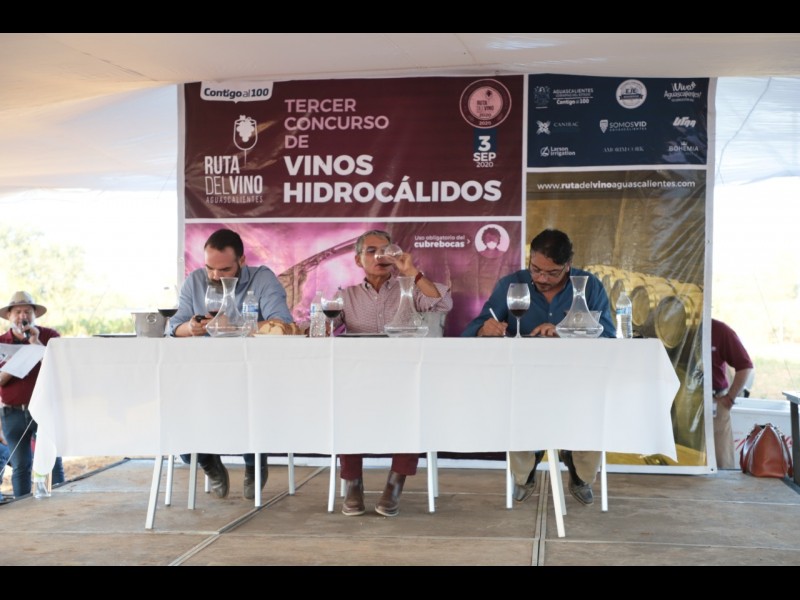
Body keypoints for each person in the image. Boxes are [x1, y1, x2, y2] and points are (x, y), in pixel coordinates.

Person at [461, 229, 615, 506]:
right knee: (515, 414)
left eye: (552, 273)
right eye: (536, 269)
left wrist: (564, 331)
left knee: (590, 418)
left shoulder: (589, 286)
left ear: (568, 265)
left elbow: (607, 336)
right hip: (524, 379)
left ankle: (579, 471)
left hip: (577, 379)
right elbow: (476, 327)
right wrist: (485, 329)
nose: (542, 278)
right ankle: (526, 471)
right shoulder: (513, 284)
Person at [331, 229, 453, 517]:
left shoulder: (408, 288)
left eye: (385, 250)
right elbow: (323, 326)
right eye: (371, 251)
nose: (379, 257)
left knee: (414, 407)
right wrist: (322, 323)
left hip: (403, 378)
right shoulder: (345, 296)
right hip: (360, 379)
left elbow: (442, 303)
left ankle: (395, 484)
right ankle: (353, 484)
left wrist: (411, 271)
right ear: (358, 260)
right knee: (343, 405)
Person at [169, 228, 294, 500]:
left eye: (224, 269)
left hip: (251, 373)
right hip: (203, 374)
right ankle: (207, 461)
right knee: (176, 405)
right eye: (210, 268)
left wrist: (237, 327)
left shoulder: (262, 279)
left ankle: (254, 462)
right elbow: (174, 325)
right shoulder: (195, 280)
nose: (215, 275)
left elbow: (282, 323)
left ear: (242, 261)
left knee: (248, 400)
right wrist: (191, 328)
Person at [0, 291, 65, 497]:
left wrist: (36, 345)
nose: (23, 316)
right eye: (17, 312)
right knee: (21, 465)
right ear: (9, 316)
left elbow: (60, 367)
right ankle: (23, 505)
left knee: (52, 459)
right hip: (12, 412)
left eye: (27, 311)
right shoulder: (2, 342)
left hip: (45, 408)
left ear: (34, 314)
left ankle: (62, 504)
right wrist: (17, 362)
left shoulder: (49, 336)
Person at [711, 318, 754, 470]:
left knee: (721, 461)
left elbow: (745, 365)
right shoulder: (675, 328)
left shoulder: (719, 330)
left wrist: (730, 398)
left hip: (715, 403)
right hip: (683, 405)